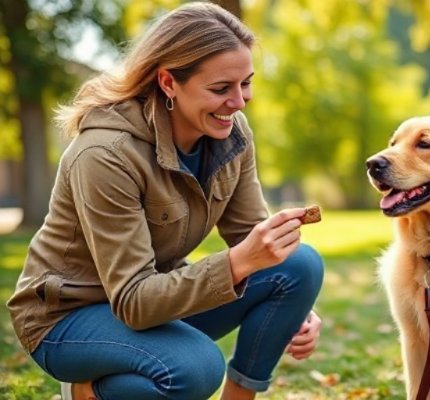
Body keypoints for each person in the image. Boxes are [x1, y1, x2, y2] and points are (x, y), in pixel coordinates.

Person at [5, 2, 324, 399]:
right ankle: (86, 391)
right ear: (169, 83)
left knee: (299, 263)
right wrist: (241, 261)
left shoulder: (231, 133)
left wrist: (294, 309)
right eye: (221, 88)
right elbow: (135, 301)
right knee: (195, 368)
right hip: (69, 318)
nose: (240, 102)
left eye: (246, 83)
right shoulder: (105, 153)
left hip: (157, 300)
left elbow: (254, 239)